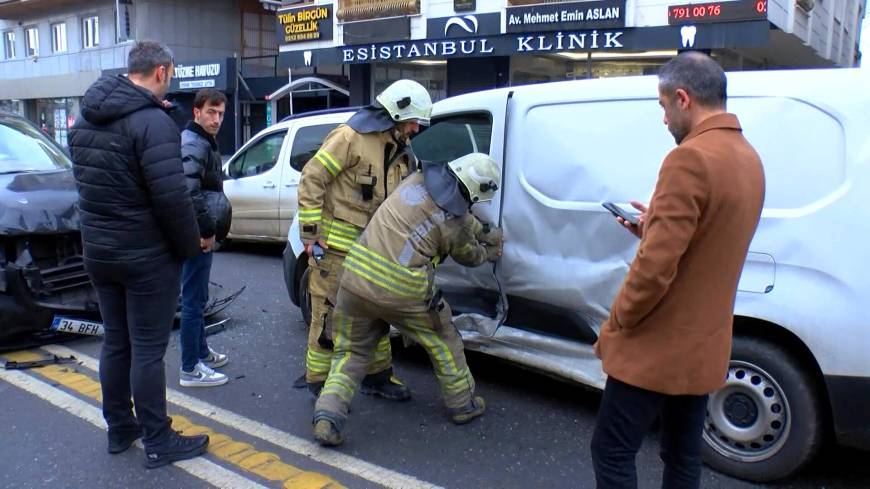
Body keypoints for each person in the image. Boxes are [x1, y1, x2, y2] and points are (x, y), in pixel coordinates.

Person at [590, 52, 766, 488]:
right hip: (705, 344)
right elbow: (709, 241)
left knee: (612, 450)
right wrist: (654, 227)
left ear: (683, 99)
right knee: (683, 456)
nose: (664, 118)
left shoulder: (688, 159)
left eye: (664, 106)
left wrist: (619, 319)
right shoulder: (749, 158)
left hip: (657, 344)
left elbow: (654, 269)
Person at [68, 41, 209, 469]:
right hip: (144, 256)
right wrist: (190, 248)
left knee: (116, 341)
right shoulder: (154, 123)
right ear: (162, 71)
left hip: (99, 250)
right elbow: (172, 200)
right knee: (148, 349)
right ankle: (158, 438)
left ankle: (120, 428)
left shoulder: (85, 117)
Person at [312, 152, 504, 446]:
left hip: (354, 281)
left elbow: (447, 217)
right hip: (402, 291)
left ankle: (328, 416)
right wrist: (491, 249)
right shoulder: (456, 221)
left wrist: (480, 229)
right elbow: (469, 254)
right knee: (444, 340)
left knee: (351, 352)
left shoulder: (416, 179)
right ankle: (463, 404)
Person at [296, 79, 433, 400]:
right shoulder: (350, 138)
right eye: (413, 120)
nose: (415, 128)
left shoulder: (402, 152)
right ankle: (318, 380)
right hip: (335, 251)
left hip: (374, 253)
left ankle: (377, 376)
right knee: (328, 314)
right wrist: (311, 235)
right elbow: (312, 178)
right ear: (394, 113)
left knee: (375, 314)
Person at [178, 88, 233, 388]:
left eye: (221, 114)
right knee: (192, 300)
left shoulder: (203, 141)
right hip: (196, 234)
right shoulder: (195, 143)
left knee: (197, 297)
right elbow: (189, 191)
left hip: (198, 230)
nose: (216, 119)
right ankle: (190, 368)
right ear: (196, 112)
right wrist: (205, 231)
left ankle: (200, 354)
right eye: (211, 112)